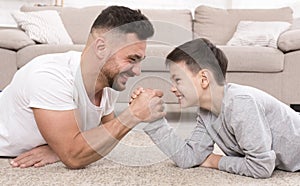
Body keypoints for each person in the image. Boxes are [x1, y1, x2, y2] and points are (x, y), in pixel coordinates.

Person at [0, 6, 165, 168]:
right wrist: (132, 115)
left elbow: (105, 137)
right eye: (132, 59)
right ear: (101, 48)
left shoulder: (109, 82)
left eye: (139, 61)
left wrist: (58, 150)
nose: (137, 72)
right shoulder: (50, 76)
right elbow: (74, 157)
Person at [130, 38, 300, 178]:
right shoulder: (207, 112)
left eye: (178, 80)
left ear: (204, 78)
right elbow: (190, 158)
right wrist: (154, 121)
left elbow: (261, 167)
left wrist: (214, 161)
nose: (172, 88)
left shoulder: (240, 103)